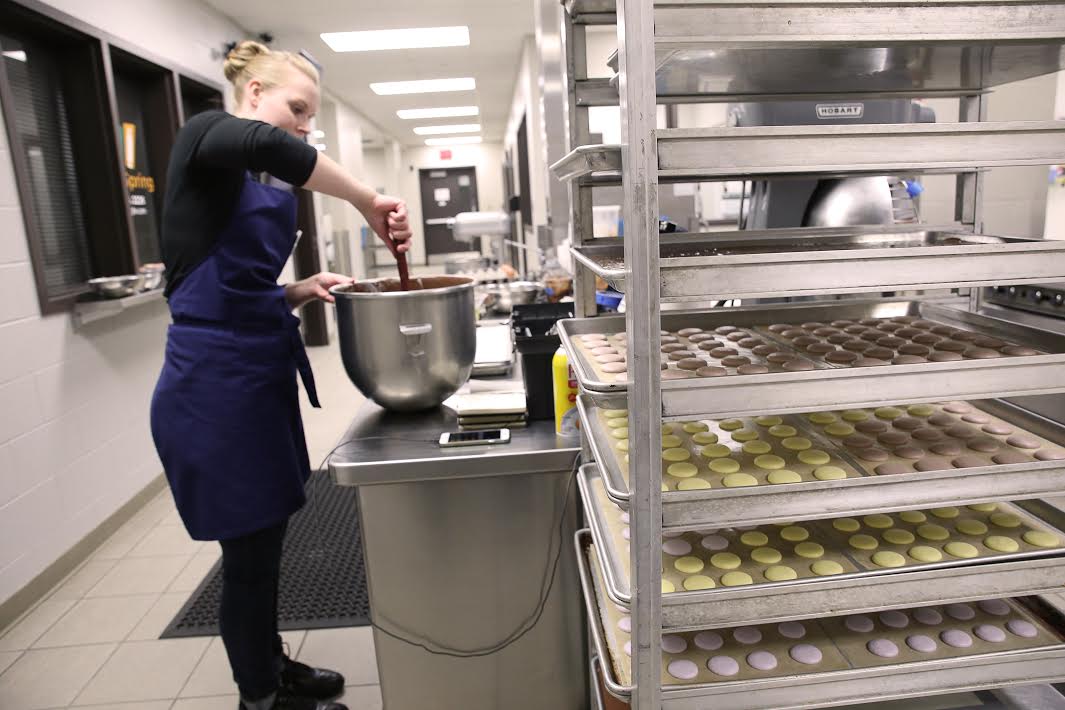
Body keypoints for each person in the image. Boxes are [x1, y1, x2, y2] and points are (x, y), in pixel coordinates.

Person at [150, 40, 411, 710]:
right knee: (247, 559)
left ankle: (270, 665)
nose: (303, 126)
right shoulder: (206, 135)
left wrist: (297, 290)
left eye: (310, 116)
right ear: (255, 91)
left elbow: (233, 291)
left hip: (255, 376)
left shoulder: (240, 180)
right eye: (297, 109)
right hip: (213, 388)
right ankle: (260, 697)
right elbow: (271, 147)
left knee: (266, 544)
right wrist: (367, 199)